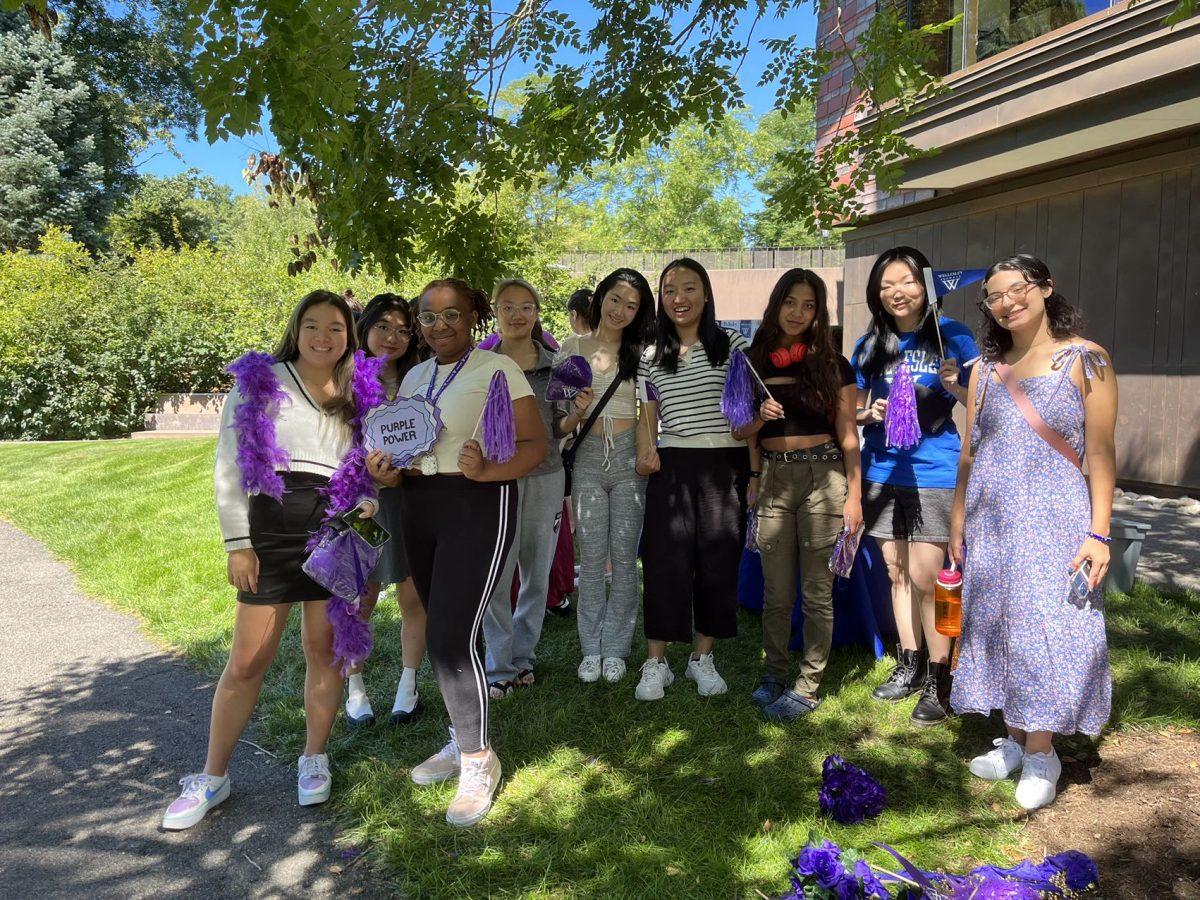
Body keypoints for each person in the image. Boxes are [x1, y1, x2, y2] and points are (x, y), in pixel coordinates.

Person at [162, 290, 376, 830]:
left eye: (335, 327)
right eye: (312, 325)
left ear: (349, 335)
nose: (323, 337)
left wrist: (367, 499)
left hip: (333, 532)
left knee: (323, 651)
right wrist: (238, 541)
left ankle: (314, 757)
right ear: (296, 329)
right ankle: (213, 776)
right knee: (248, 660)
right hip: (272, 529)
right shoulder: (261, 381)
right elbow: (228, 467)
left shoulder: (362, 391)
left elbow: (365, 467)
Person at [949, 255, 1116, 810]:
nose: (1006, 302)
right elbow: (971, 453)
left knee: (1047, 625)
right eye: (993, 296)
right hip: (991, 521)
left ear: (1045, 288)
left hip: (1055, 519)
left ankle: (1044, 750)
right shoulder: (983, 371)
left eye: (1016, 289)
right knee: (999, 621)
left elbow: (1099, 451)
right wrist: (957, 522)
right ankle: (1017, 737)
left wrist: (1100, 533)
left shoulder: (1086, 359)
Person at [398, 278, 547, 827]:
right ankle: (462, 736)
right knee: (442, 628)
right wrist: (386, 470)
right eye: (429, 317)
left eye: (452, 315)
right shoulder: (414, 376)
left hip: (478, 504)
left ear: (473, 318)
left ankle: (480, 760)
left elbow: (535, 447)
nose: (439, 327)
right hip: (420, 505)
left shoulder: (497, 370)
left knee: (449, 635)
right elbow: (404, 443)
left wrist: (487, 469)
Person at [851, 246, 979, 726]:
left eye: (905, 282)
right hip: (882, 470)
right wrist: (869, 413)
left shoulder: (954, 337)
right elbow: (856, 407)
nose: (895, 293)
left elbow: (980, 404)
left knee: (929, 579)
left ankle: (938, 678)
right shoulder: (869, 346)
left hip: (933, 474)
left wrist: (957, 385)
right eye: (885, 285)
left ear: (925, 286)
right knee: (896, 573)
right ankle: (908, 664)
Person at [732, 269, 863, 721]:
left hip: (824, 478)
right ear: (776, 303)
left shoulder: (834, 364)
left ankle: (808, 685)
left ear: (818, 312)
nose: (798, 313)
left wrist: (855, 496)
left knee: (817, 590)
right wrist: (759, 416)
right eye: (791, 302)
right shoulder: (752, 360)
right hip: (773, 478)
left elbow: (848, 434)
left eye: (809, 305)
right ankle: (774, 674)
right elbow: (739, 431)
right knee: (776, 590)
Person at [634, 258, 750, 700]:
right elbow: (648, 415)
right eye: (669, 290)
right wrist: (646, 453)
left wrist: (754, 471)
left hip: (725, 464)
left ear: (705, 294)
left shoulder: (734, 345)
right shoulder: (650, 354)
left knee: (717, 560)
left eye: (689, 288)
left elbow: (746, 413)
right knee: (665, 560)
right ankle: (655, 662)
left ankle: (702, 657)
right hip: (672, 464)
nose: (678, 298)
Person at [556, 269, 655, 683]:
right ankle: (590, 648)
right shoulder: (572, 348)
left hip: (630, 458)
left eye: (631, 305)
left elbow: (648, 408)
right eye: (615, 299)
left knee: (626, 559)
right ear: (600, 299)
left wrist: (648, 450)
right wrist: (576, 409)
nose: (621, 311)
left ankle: (616, 648)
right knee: (593, 560)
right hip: (589, 458)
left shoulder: (643, 353)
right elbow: (560, 423)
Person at [342, 294, 427, 728]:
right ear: (365, 328)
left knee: (414, 593)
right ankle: (354, 686)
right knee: (363, 595)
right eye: (383, 328)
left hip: (410, 499)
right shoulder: (344, 380)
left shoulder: (420, 380)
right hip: (362, 505)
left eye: (401, 330)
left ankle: (407, 685)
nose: (392, 337)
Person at [481, 278, 566, 698]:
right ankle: (498, 665)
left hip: (547, 475)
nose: (517, 315)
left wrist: (578, 414)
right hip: (497, 480)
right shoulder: (477, 365)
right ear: (496, 313)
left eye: (526, 307)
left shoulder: (555, 364)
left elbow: (561, 426)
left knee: (536, 571)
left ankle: (523, 657)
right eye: (508, 307)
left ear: (536, 313)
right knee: (497, 573)